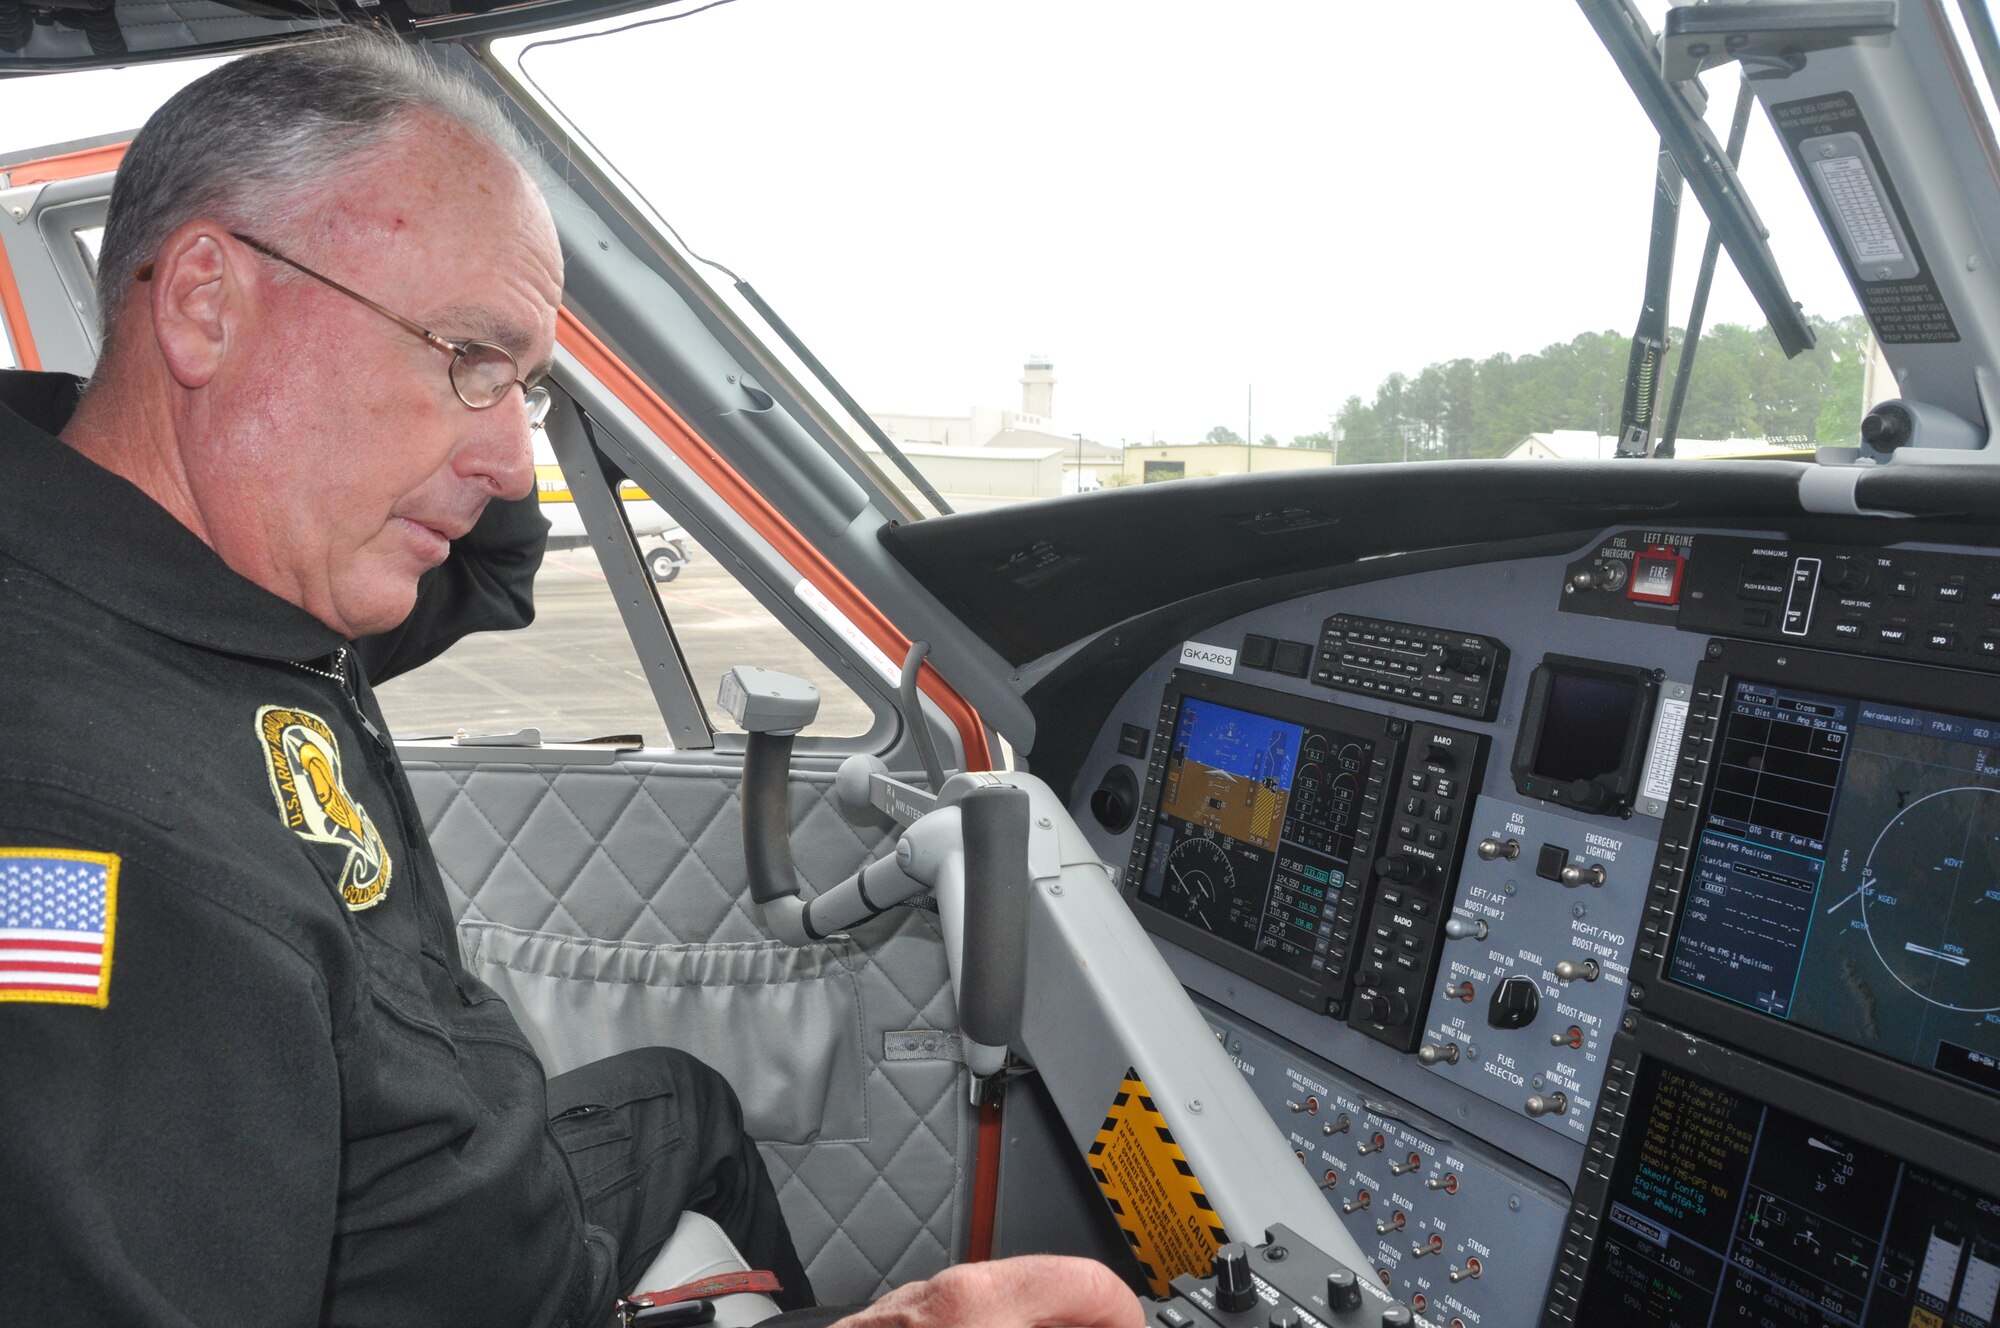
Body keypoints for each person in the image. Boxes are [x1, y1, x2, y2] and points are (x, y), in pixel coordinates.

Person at [0, 34, 1143, 1328]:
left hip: (468, 1184)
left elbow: (489, 571)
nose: (510, 462)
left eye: (529, 390)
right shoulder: (90, 828)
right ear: (206, 303)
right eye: (466, 356)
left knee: (690, 1099)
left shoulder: (231, 568)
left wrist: (480, 367)